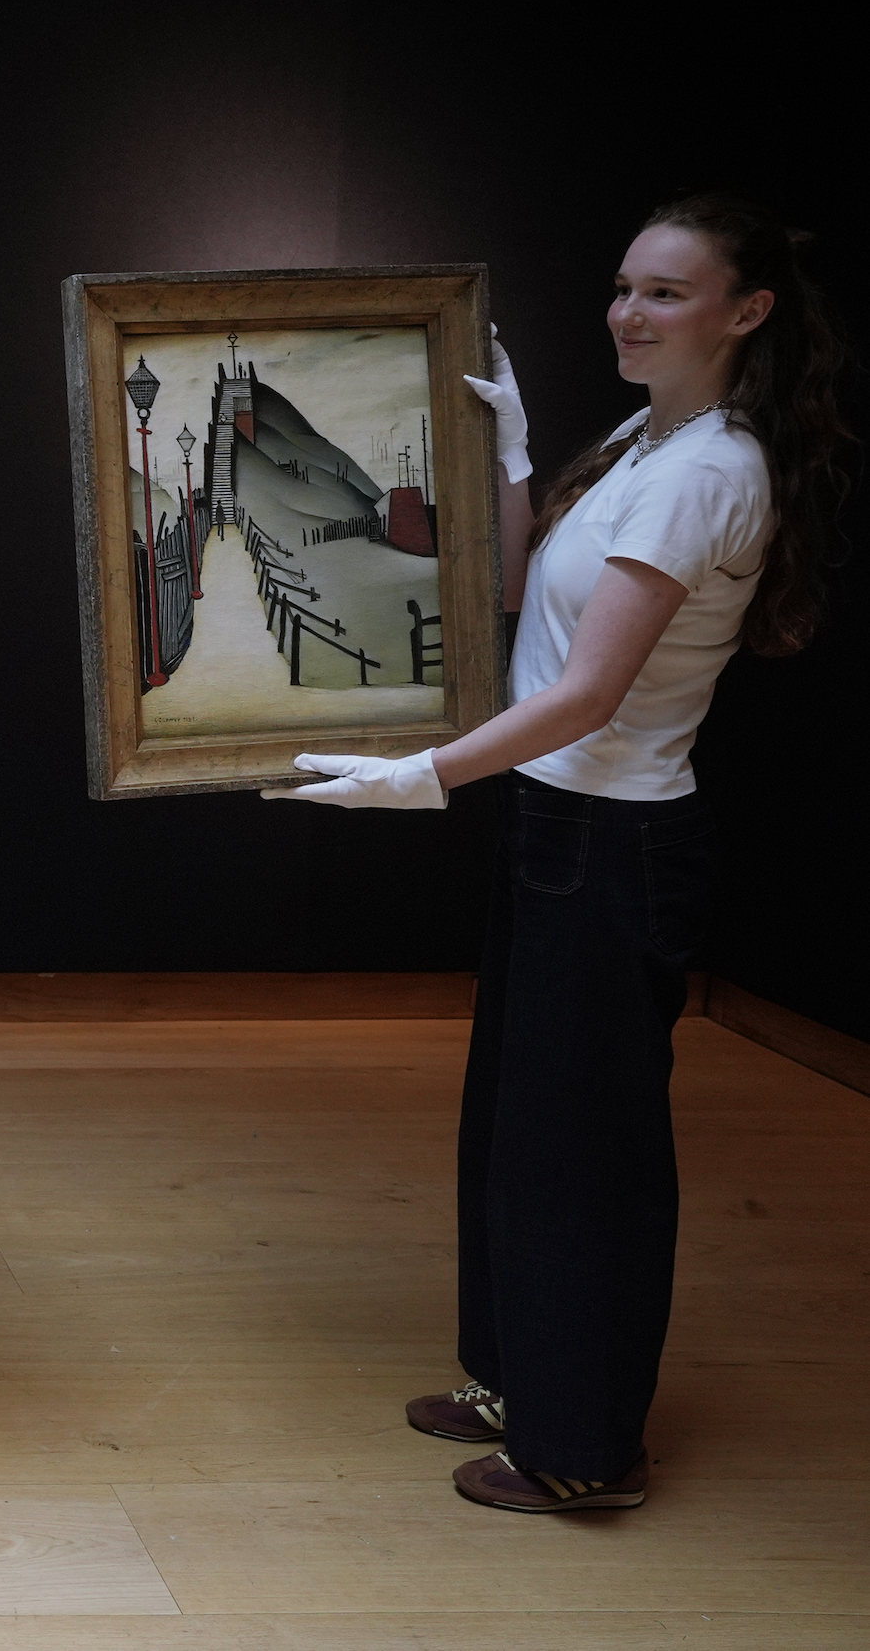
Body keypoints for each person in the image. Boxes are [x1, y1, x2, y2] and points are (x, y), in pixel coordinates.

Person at [268, 194, 848, 1514]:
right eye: (623, 287)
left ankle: (583, 1450)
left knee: (584, 1151)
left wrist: (425, 773)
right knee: (515, 1128)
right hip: (555, 822)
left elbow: (588, 694)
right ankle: (514, 1381)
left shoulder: (708, 470)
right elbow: (523, 596)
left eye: (665, 293)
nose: (627, 313)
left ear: (746, 312)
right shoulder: (648, 440)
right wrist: (516, 458)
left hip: (613, 835)